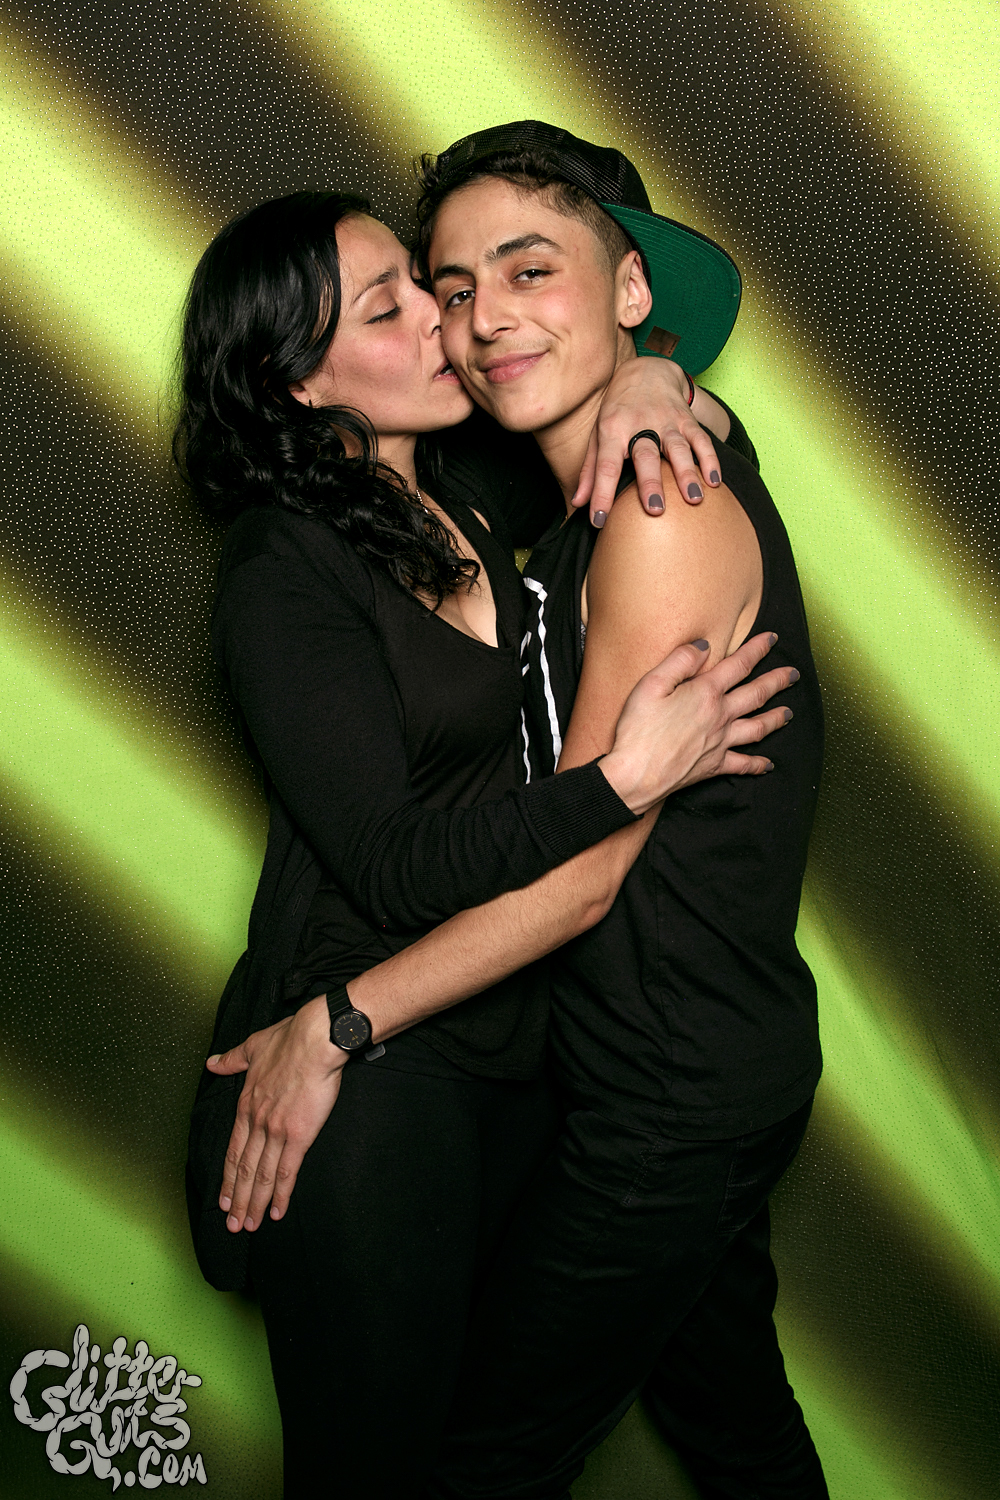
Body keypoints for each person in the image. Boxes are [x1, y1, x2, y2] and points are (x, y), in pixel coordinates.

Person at [177, 188, 796, 1498]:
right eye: (394, 307)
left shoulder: (468, 488)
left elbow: (597, 375)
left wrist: (662, 387)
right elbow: (394, 864)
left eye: (430, 288)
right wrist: (621, 782)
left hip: (523, 1059)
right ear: (299, 385)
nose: (449, 325)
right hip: (362, 1069)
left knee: (650, 1415)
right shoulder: (283, 568)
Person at [413, 121, 828, 1498]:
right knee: (733, 1424)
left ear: (630, 287)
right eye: (455, 288)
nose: (485, 317)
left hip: (672, 1092)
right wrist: (660, 378)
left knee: (487, 1460)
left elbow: (583, 875)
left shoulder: (658, 505)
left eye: (529, 268)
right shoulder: (586, 508)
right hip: (667, 1063)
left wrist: (342, 1021)